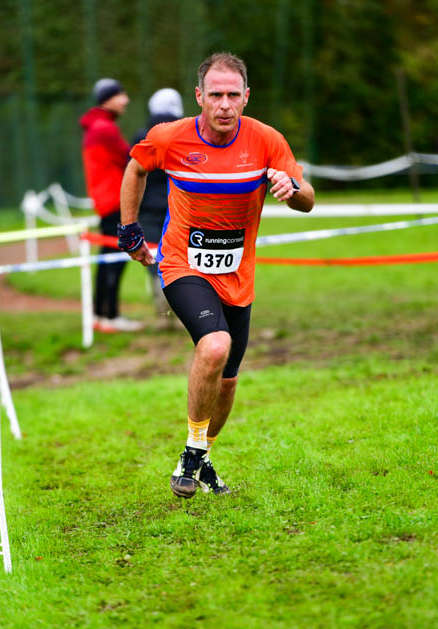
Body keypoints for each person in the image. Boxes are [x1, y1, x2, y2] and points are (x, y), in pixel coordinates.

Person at [118, 52, 314, 498]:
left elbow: (308, 198)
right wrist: (129, 230)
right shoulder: (170, 137)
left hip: (237, 274)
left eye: (232, 95)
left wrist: (292, 190)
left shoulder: (266, 140)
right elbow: (135, 167)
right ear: (199, 96)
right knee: (215, 345)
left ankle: (203, 457)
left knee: (227, 380)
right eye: (215, 95)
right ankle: (190, 454)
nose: (224, 104)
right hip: (182, 263)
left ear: (246, 97)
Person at [80, 78, 144, 332]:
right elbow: (131, 159)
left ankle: (102, 315)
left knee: (109, 257)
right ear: (108, 99)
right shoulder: (104, 128)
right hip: (113, 201)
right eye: (120, 95)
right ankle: (109, 316)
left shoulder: (96, 126)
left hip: (105, 200)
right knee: (114, 258)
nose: (125, 100)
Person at [131, 88, 184, 322]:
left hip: (149, 208)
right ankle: (184, 311)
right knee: (183, 257)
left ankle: (163, 312)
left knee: (154, 257)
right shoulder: (186, 136)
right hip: (180, 206)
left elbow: (132, 173)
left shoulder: (142, 137)